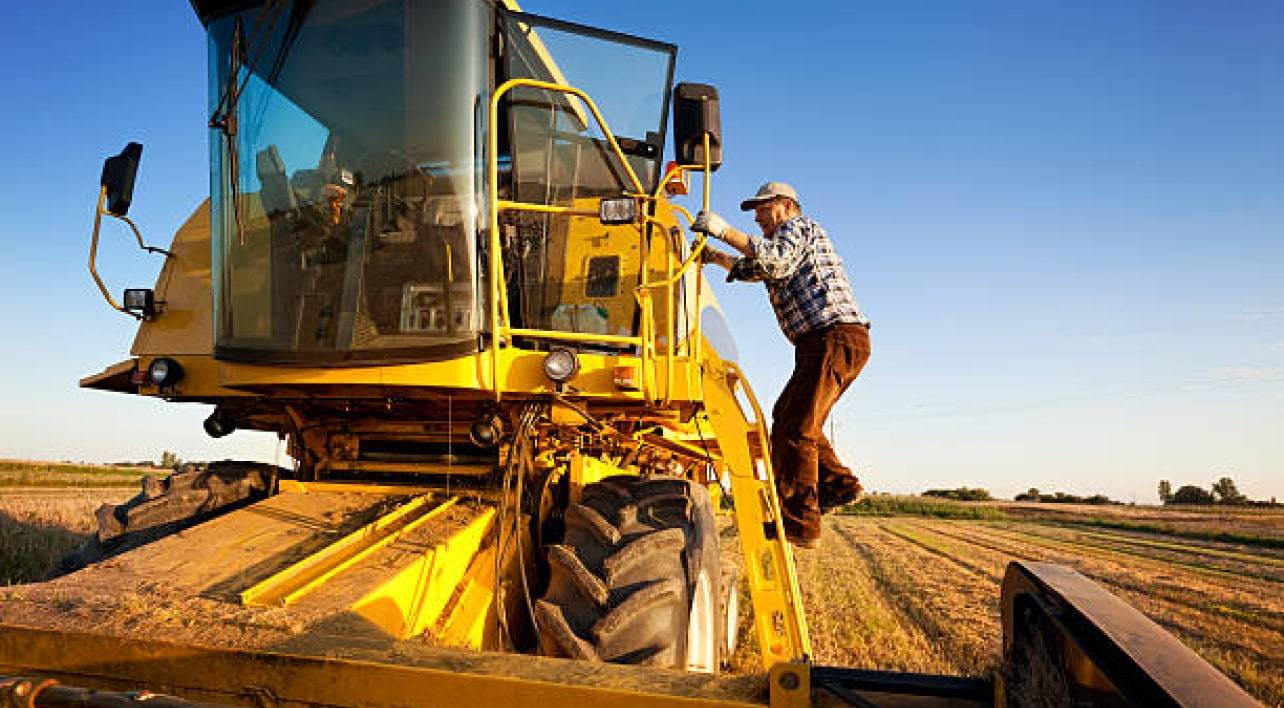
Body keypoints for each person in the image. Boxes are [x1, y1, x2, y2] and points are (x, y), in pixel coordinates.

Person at [693, 182, 871, 548]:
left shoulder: (799, 228)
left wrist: (724, 230)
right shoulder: (783, 242)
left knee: (797, 429)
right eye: (754, 212)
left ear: (787, 206)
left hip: (833, 337)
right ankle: (840, 486)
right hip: (822, 343)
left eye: (763, 208)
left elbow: (774, 261)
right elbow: (756, 269)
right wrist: (715, 257)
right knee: (787, 417)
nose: (757, 217)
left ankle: (801, 525)